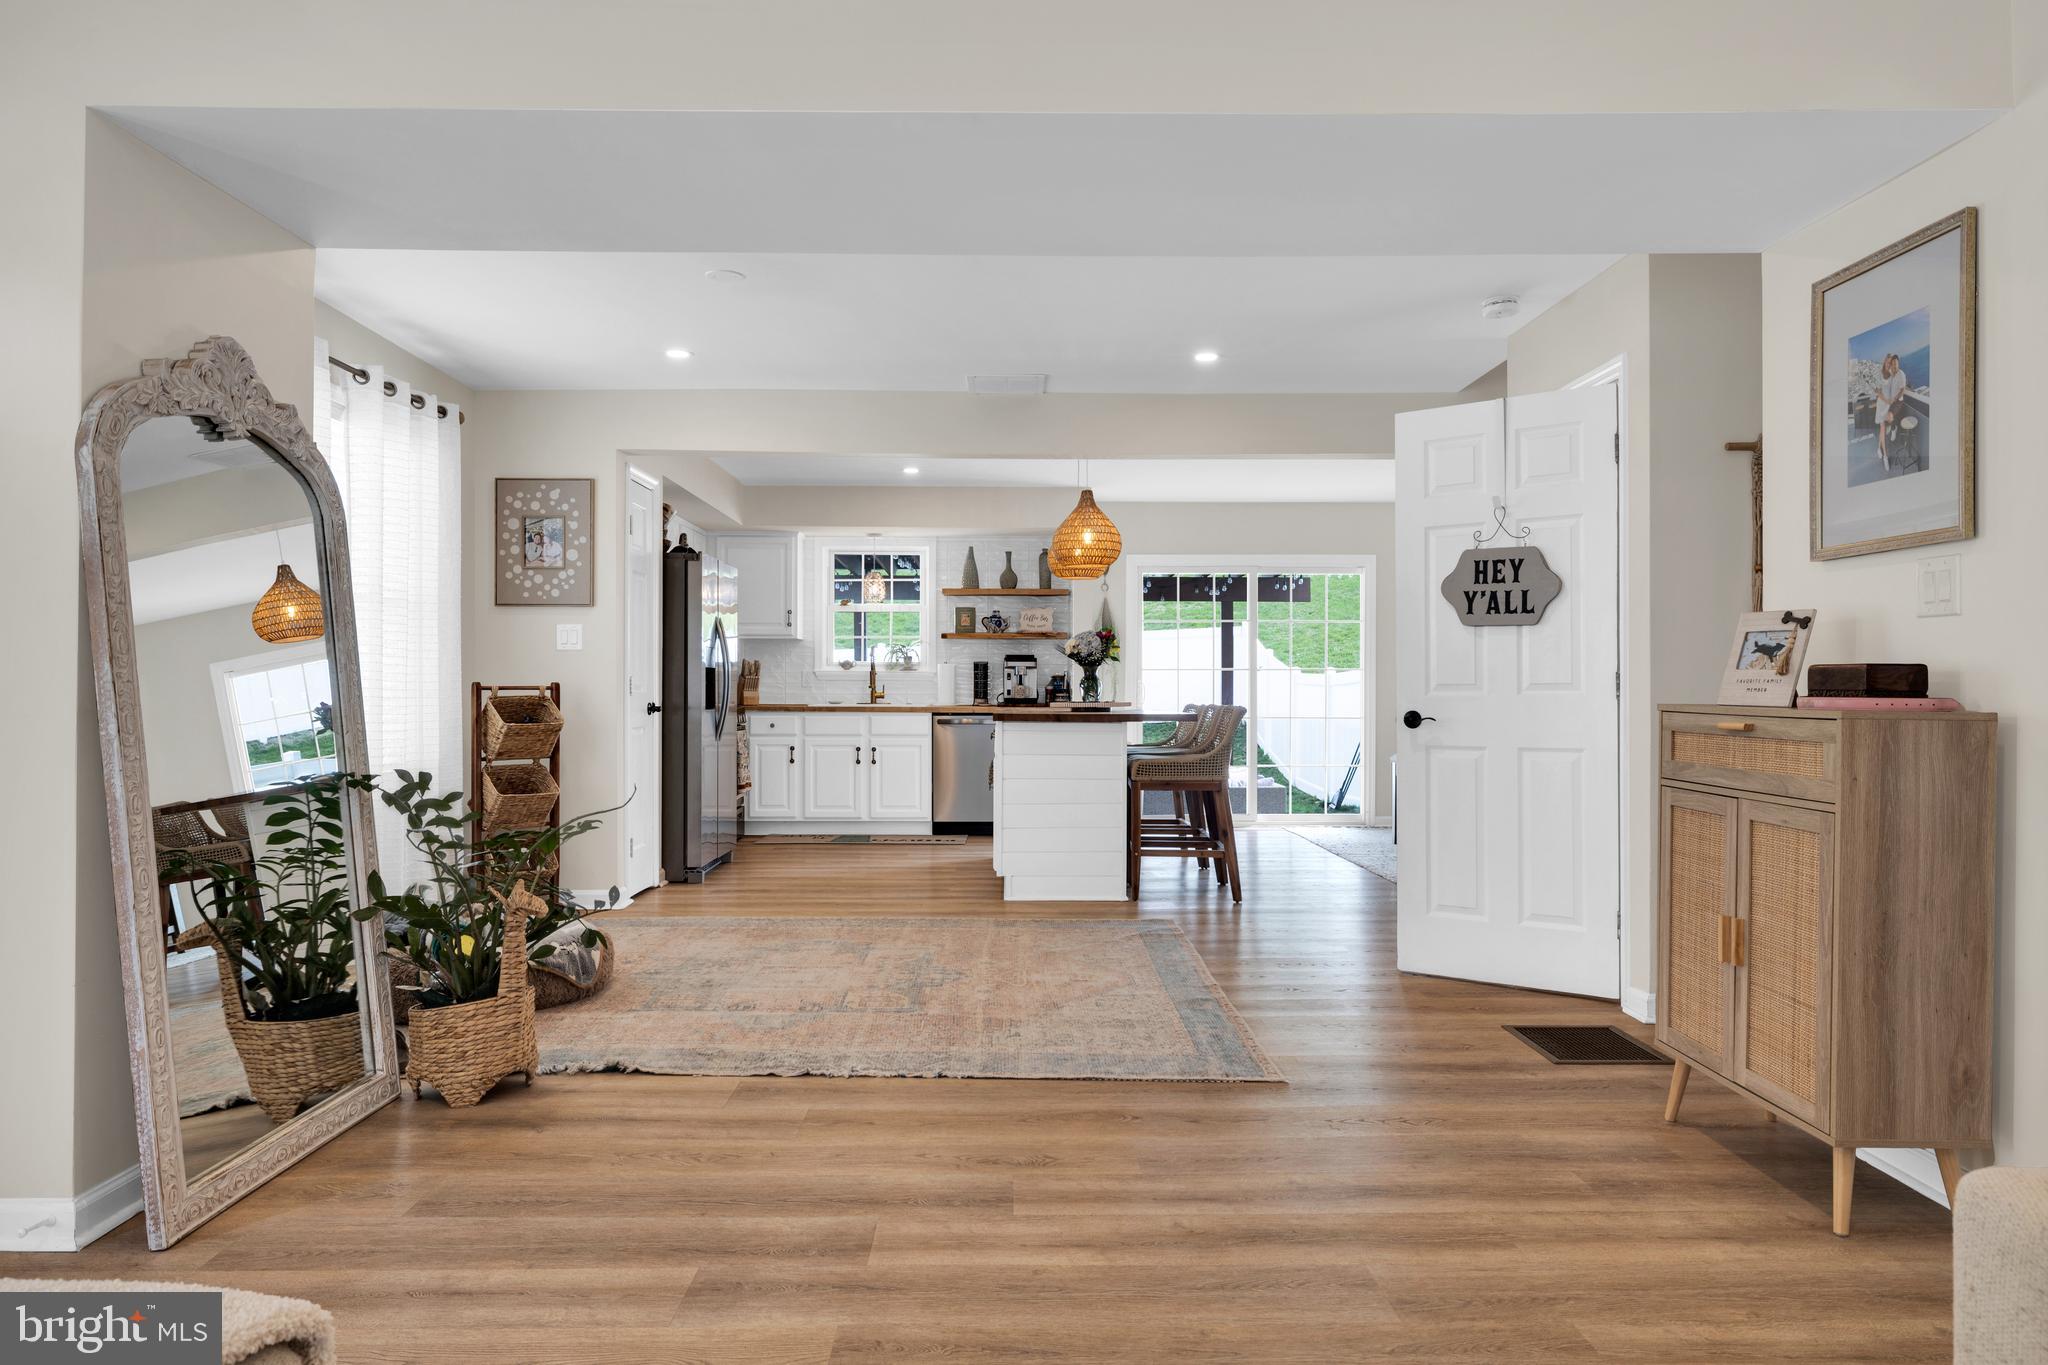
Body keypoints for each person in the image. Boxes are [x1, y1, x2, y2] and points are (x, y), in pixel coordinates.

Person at [1877, 353, 1910, 469]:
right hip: (1887, 403)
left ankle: (1894, 427)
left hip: (1897, 402)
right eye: (1892, 363)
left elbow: (1902, 390)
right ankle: (1880, 448)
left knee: (1889, 418)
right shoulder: (1891, 373)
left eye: (1896, 363)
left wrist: (1894, 399)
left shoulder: (1901, 375)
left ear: (1898, 363)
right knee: (1882, 426)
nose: (1894, 365)